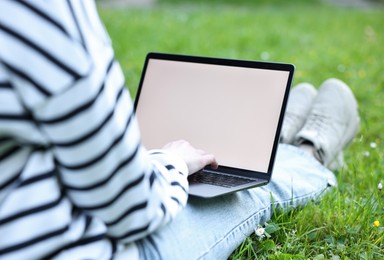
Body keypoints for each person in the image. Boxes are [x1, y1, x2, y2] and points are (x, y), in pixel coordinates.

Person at [0, 1, 360, 259]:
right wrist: (169, 161)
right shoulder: (43, 12)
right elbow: (131, 208)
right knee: (245, 194)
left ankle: (277, 145)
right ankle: (306, 153)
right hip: (92, 247)